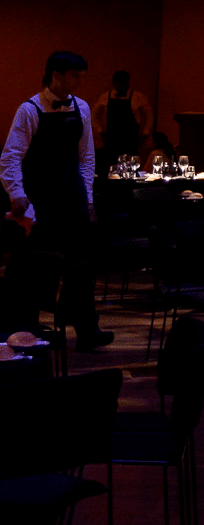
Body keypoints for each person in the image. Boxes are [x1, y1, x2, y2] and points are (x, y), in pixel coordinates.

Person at [2, 50, 112, 350]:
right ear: (56, 75)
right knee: (35, 268)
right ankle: (26, 332)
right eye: (75, 76)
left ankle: (87, 331)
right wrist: (17, 194)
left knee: (80, 267)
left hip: (72, 196)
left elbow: (86, 157)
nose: (80, 82)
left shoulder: (82, 107)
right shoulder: (29, 110)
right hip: (41, 198)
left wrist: (87, 197)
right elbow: (11, 156)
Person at [93, 69, 150, 164]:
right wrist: (101, 131)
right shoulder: (105, 96)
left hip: (131, 138)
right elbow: (94, 114)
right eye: (120, 82)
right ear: (114, 83)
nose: (122, 85)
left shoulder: (138, 96)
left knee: (130, 165)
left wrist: (145, 133)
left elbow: (149, 115)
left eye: (124, 82)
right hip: (111, 139)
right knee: (111, 164)